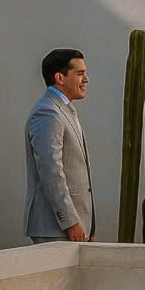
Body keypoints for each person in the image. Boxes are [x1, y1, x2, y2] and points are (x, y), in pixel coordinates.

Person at [25, 48, 95, 243]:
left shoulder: (64, 110)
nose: (86, 79)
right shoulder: (48, 113)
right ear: (60, 77)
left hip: (71, 227)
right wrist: (71, 222)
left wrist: (88, 224)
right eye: (79, 74)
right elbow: (50, 171)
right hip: (55, 228)